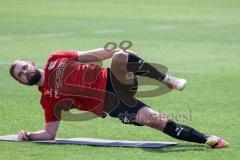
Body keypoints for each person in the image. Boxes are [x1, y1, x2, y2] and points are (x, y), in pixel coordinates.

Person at [9, 48, 228, 148]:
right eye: (20, 74)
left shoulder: (56, 58)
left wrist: (111, 50)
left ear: (32, 64)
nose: (25, 72)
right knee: (157, 120)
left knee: (119, 55)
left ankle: (167, 79)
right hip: (114, 105)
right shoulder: (47, 99)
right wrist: (28, 135)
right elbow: (49, 133)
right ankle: (209, 139)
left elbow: (95, 54)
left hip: (114, 79)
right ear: (22, 82)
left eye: (24, 67)